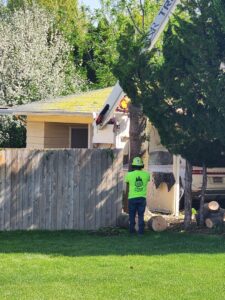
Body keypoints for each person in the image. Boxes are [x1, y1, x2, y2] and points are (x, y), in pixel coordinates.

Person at [124, 157, 151, 235]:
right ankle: (141, 232)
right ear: (141, 165)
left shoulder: (129, 174)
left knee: (132, 216)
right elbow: (147, 180)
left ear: (133, 165)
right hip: (142, 198)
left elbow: (127, 182)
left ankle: (132, 232)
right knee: (141, 215)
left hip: (132, 198)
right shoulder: (146, 174)